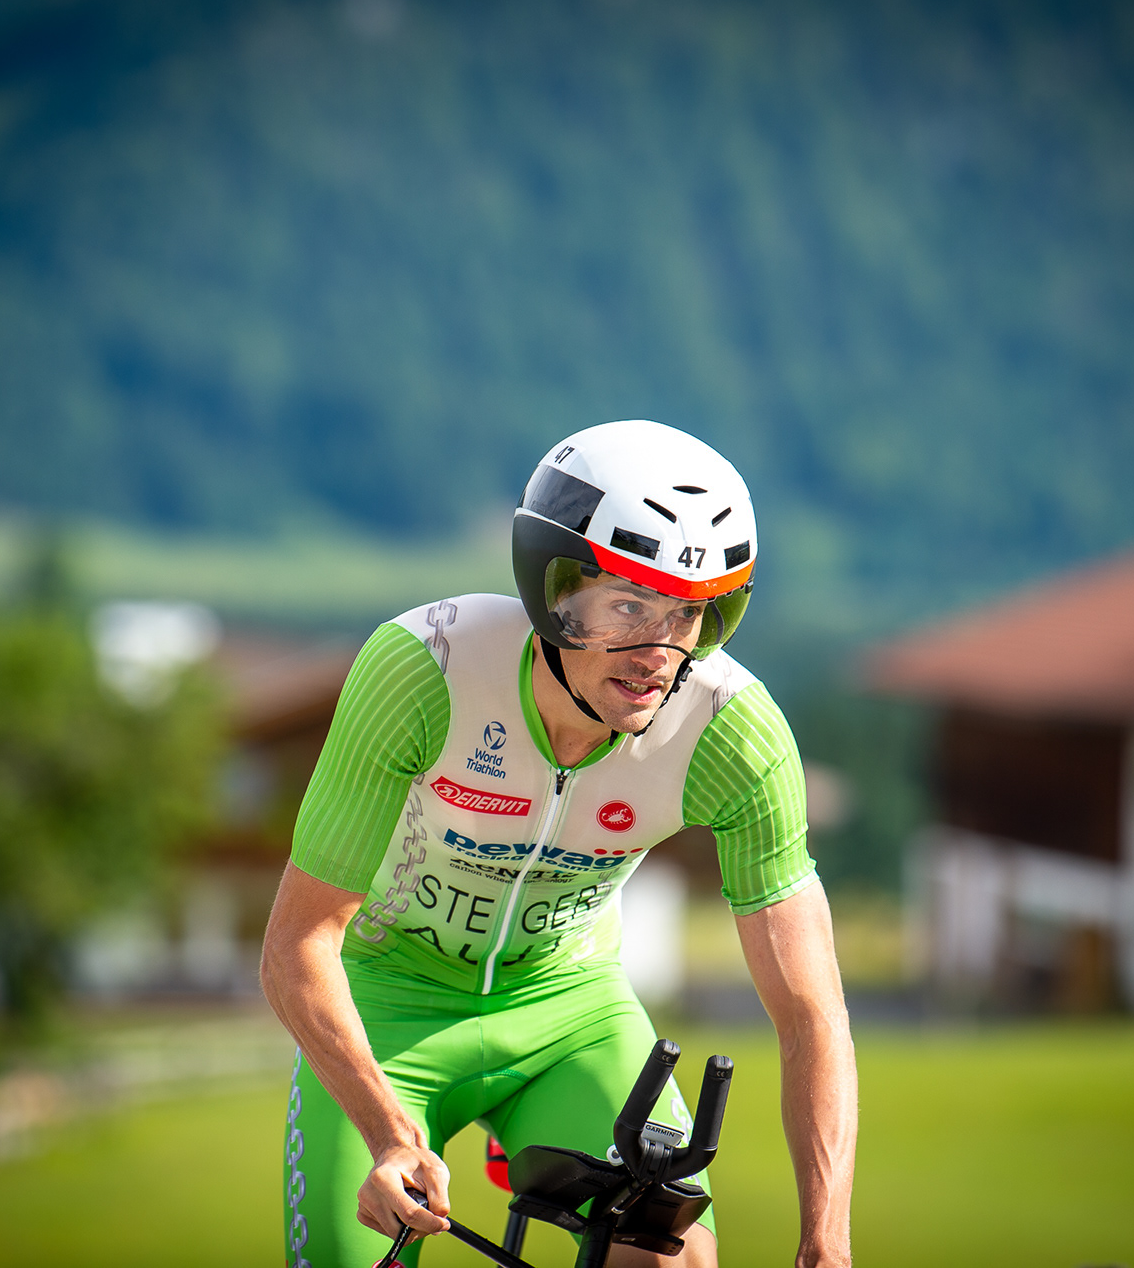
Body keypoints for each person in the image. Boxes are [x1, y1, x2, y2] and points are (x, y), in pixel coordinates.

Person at [261, 421, 857, 1268]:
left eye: (690, 614)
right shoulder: (427, 668)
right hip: (386, 1005)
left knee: (674, 1260)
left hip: (571, 1011)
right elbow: (296, 944)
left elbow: (812, 1014)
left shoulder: (732, 734)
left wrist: (826, 1243)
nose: (659, 652)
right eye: (629, 606)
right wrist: (390, 1136)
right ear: (554, 592)